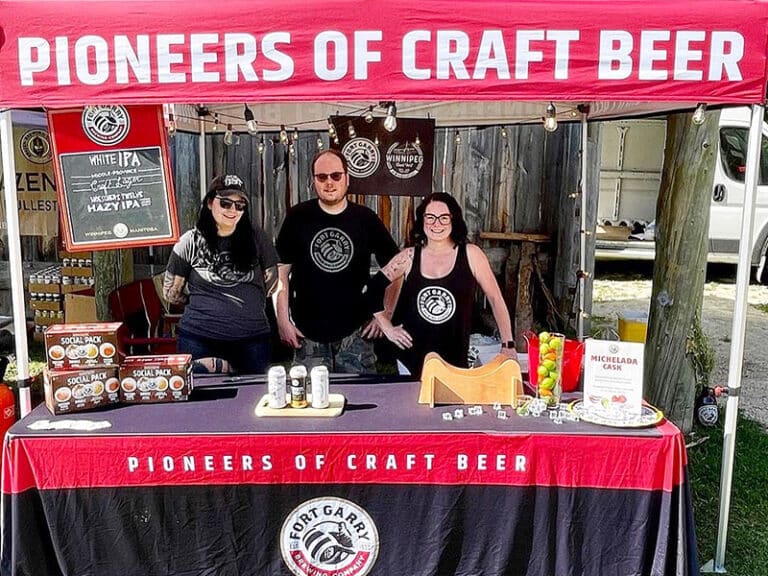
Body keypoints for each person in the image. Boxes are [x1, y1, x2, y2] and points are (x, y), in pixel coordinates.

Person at [275, 149, 399, 373]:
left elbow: (397, 269)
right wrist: (282, 320)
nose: (329, 182)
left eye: (336, 175)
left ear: (347, 178)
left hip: (355, 336)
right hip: (308, 335)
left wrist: (385, 316)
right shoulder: (297, 217)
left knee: (361, 403)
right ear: (313, 181)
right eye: (322, 177)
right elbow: (280, 274)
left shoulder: (365, 219)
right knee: (308, 404)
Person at [369, 192, 517, 376]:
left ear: (453, 220)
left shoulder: (471, 254)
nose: (436, 224)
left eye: (443, 218)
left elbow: (495, 299)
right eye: (430, 217)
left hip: (455, 360)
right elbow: (372, 289)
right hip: (411, 360)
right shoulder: (408, 257)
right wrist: (386, 326)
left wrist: (508, 344)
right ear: (422, 220)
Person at [163, 174, 279, 374]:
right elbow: (171, 292)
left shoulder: (257, 238)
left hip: (252, 341)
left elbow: (272, 282)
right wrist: (206, 305)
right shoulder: (189, 242)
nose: (233, 210)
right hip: (199, 339)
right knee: (200, 401)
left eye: (240, 205)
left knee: (252, 400)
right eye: (225, 203)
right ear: (210, 202)